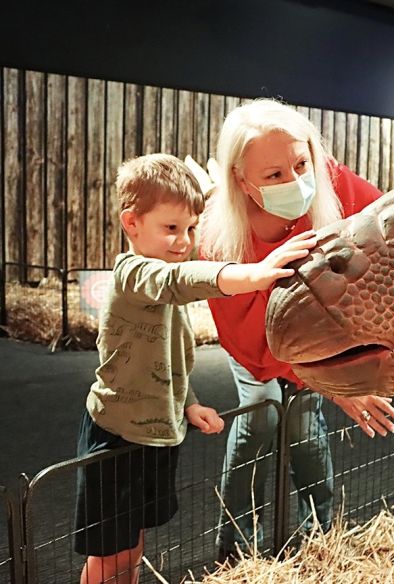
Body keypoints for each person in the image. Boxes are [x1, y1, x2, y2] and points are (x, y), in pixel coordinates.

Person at [73, 153, 318, 584]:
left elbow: (170, 356)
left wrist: (188, 404)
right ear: (131, 223)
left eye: (189, 229)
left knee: (132, 543)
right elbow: (179, 281)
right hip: (116, 435)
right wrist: (254, 273)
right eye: (171, 228)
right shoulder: (135, 274)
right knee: (108, 554)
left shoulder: (168, 274)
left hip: (156, 433)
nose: (184, 241)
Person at [197, 99, 394, 561]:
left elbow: (392, 225)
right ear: (241, 181)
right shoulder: (217, 240)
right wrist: (334, 383)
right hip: (261, 348)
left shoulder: (334, 183)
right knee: (260, 417)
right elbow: (248, 346)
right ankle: (237, 544)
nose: (295, 180)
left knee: (306, 430)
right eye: (273, 175)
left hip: (318, 340)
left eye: (301, 163)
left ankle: (320, 534)